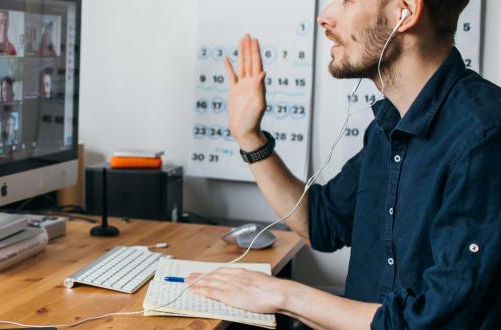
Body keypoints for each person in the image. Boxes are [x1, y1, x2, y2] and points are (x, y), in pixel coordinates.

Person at [187, 1, 501, 329]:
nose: (326, 18)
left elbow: (431, 322)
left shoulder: (485, 135)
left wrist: (285, 295)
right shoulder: (387, 127)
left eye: (348, 1)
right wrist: (250, 137)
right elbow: (319, 223)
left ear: (405, 12)